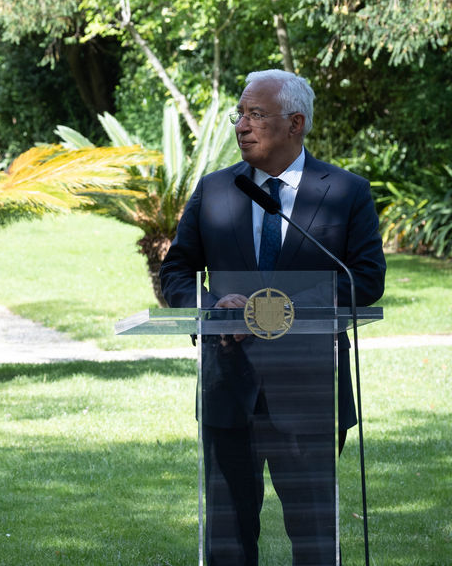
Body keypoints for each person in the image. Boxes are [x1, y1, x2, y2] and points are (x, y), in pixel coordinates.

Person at [159, 69, 385, 566]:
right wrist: (209, 309)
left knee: (314, 536)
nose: (242, 125)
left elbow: (365, 281)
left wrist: (273, 309)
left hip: (309, 389)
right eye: (240, 114)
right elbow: (175, 269)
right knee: (228, 538)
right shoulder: (216, 190)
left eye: (256, 114)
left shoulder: (346, 191)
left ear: (295, 123)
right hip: (228, 383)